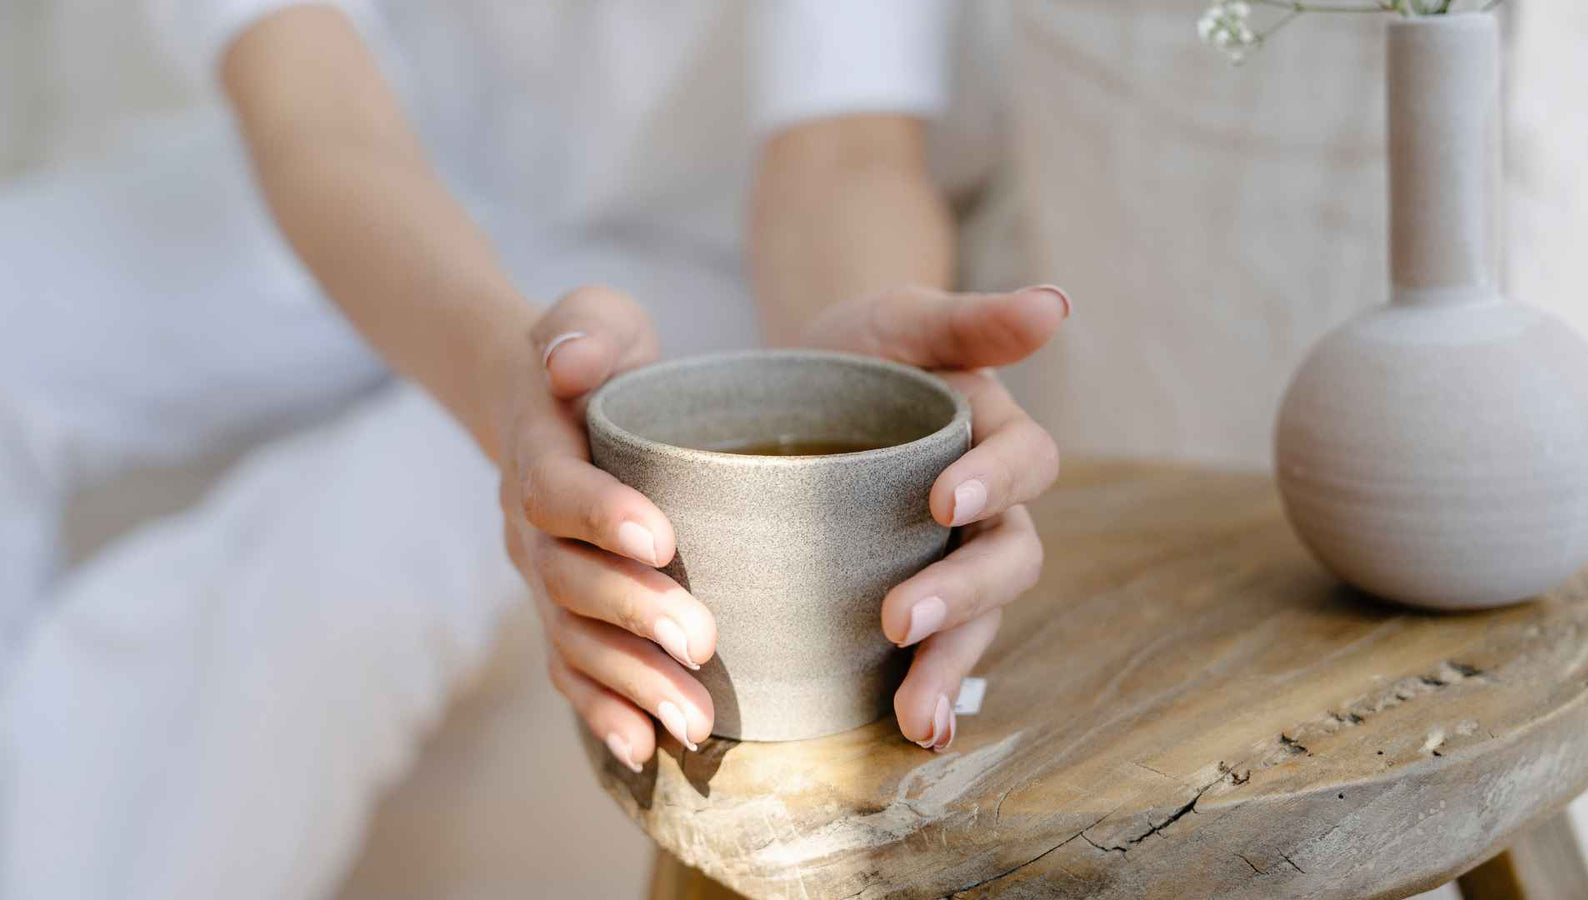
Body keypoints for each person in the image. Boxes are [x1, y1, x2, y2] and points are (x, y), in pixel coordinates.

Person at [0, 2, 1067, 896]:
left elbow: (841, 152)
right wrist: (499, 381)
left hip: (708, 241)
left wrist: (887, 405)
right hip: (391, 174)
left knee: (351, 551)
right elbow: (316, 112)